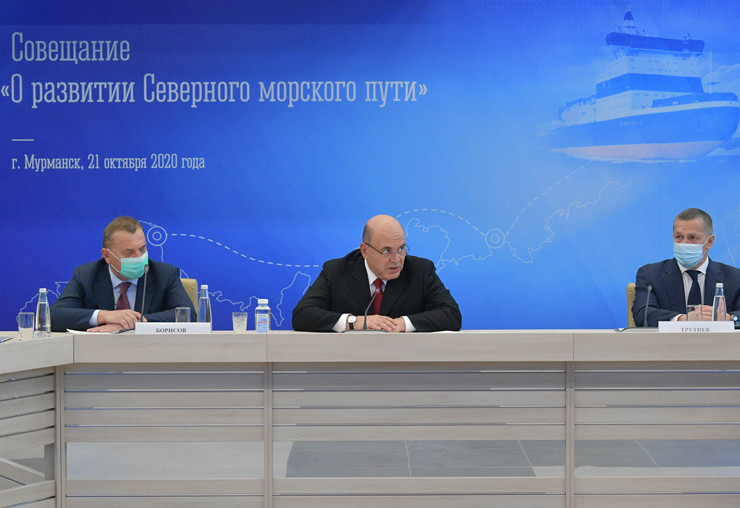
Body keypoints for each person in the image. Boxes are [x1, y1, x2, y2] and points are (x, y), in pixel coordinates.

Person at [292, 214, 462, 332]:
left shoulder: (420, 270)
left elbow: (451, 314)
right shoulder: (337, 271)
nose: (396, 260)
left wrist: (403, 323)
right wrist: (355, 322)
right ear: (365, 251)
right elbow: (302, 315)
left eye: (401, 249)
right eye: (387, 251)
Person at [50, 216, 195, 332]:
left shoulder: (164, 274)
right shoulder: (86, 276)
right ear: (107, 256)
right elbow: (54, 316)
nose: (139, 257)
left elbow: (188, 315)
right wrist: (105, 316)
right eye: (129, 252)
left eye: (142, 249)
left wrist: (135, 323)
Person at [632, 208, 740, 327]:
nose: (684, 243)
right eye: (678, 237)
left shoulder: (735, 278)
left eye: (692, 237)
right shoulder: (651, 275)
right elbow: (642, 315)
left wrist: (729, 318)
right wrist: (682, 319)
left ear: (710, 241)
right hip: (670, 339)